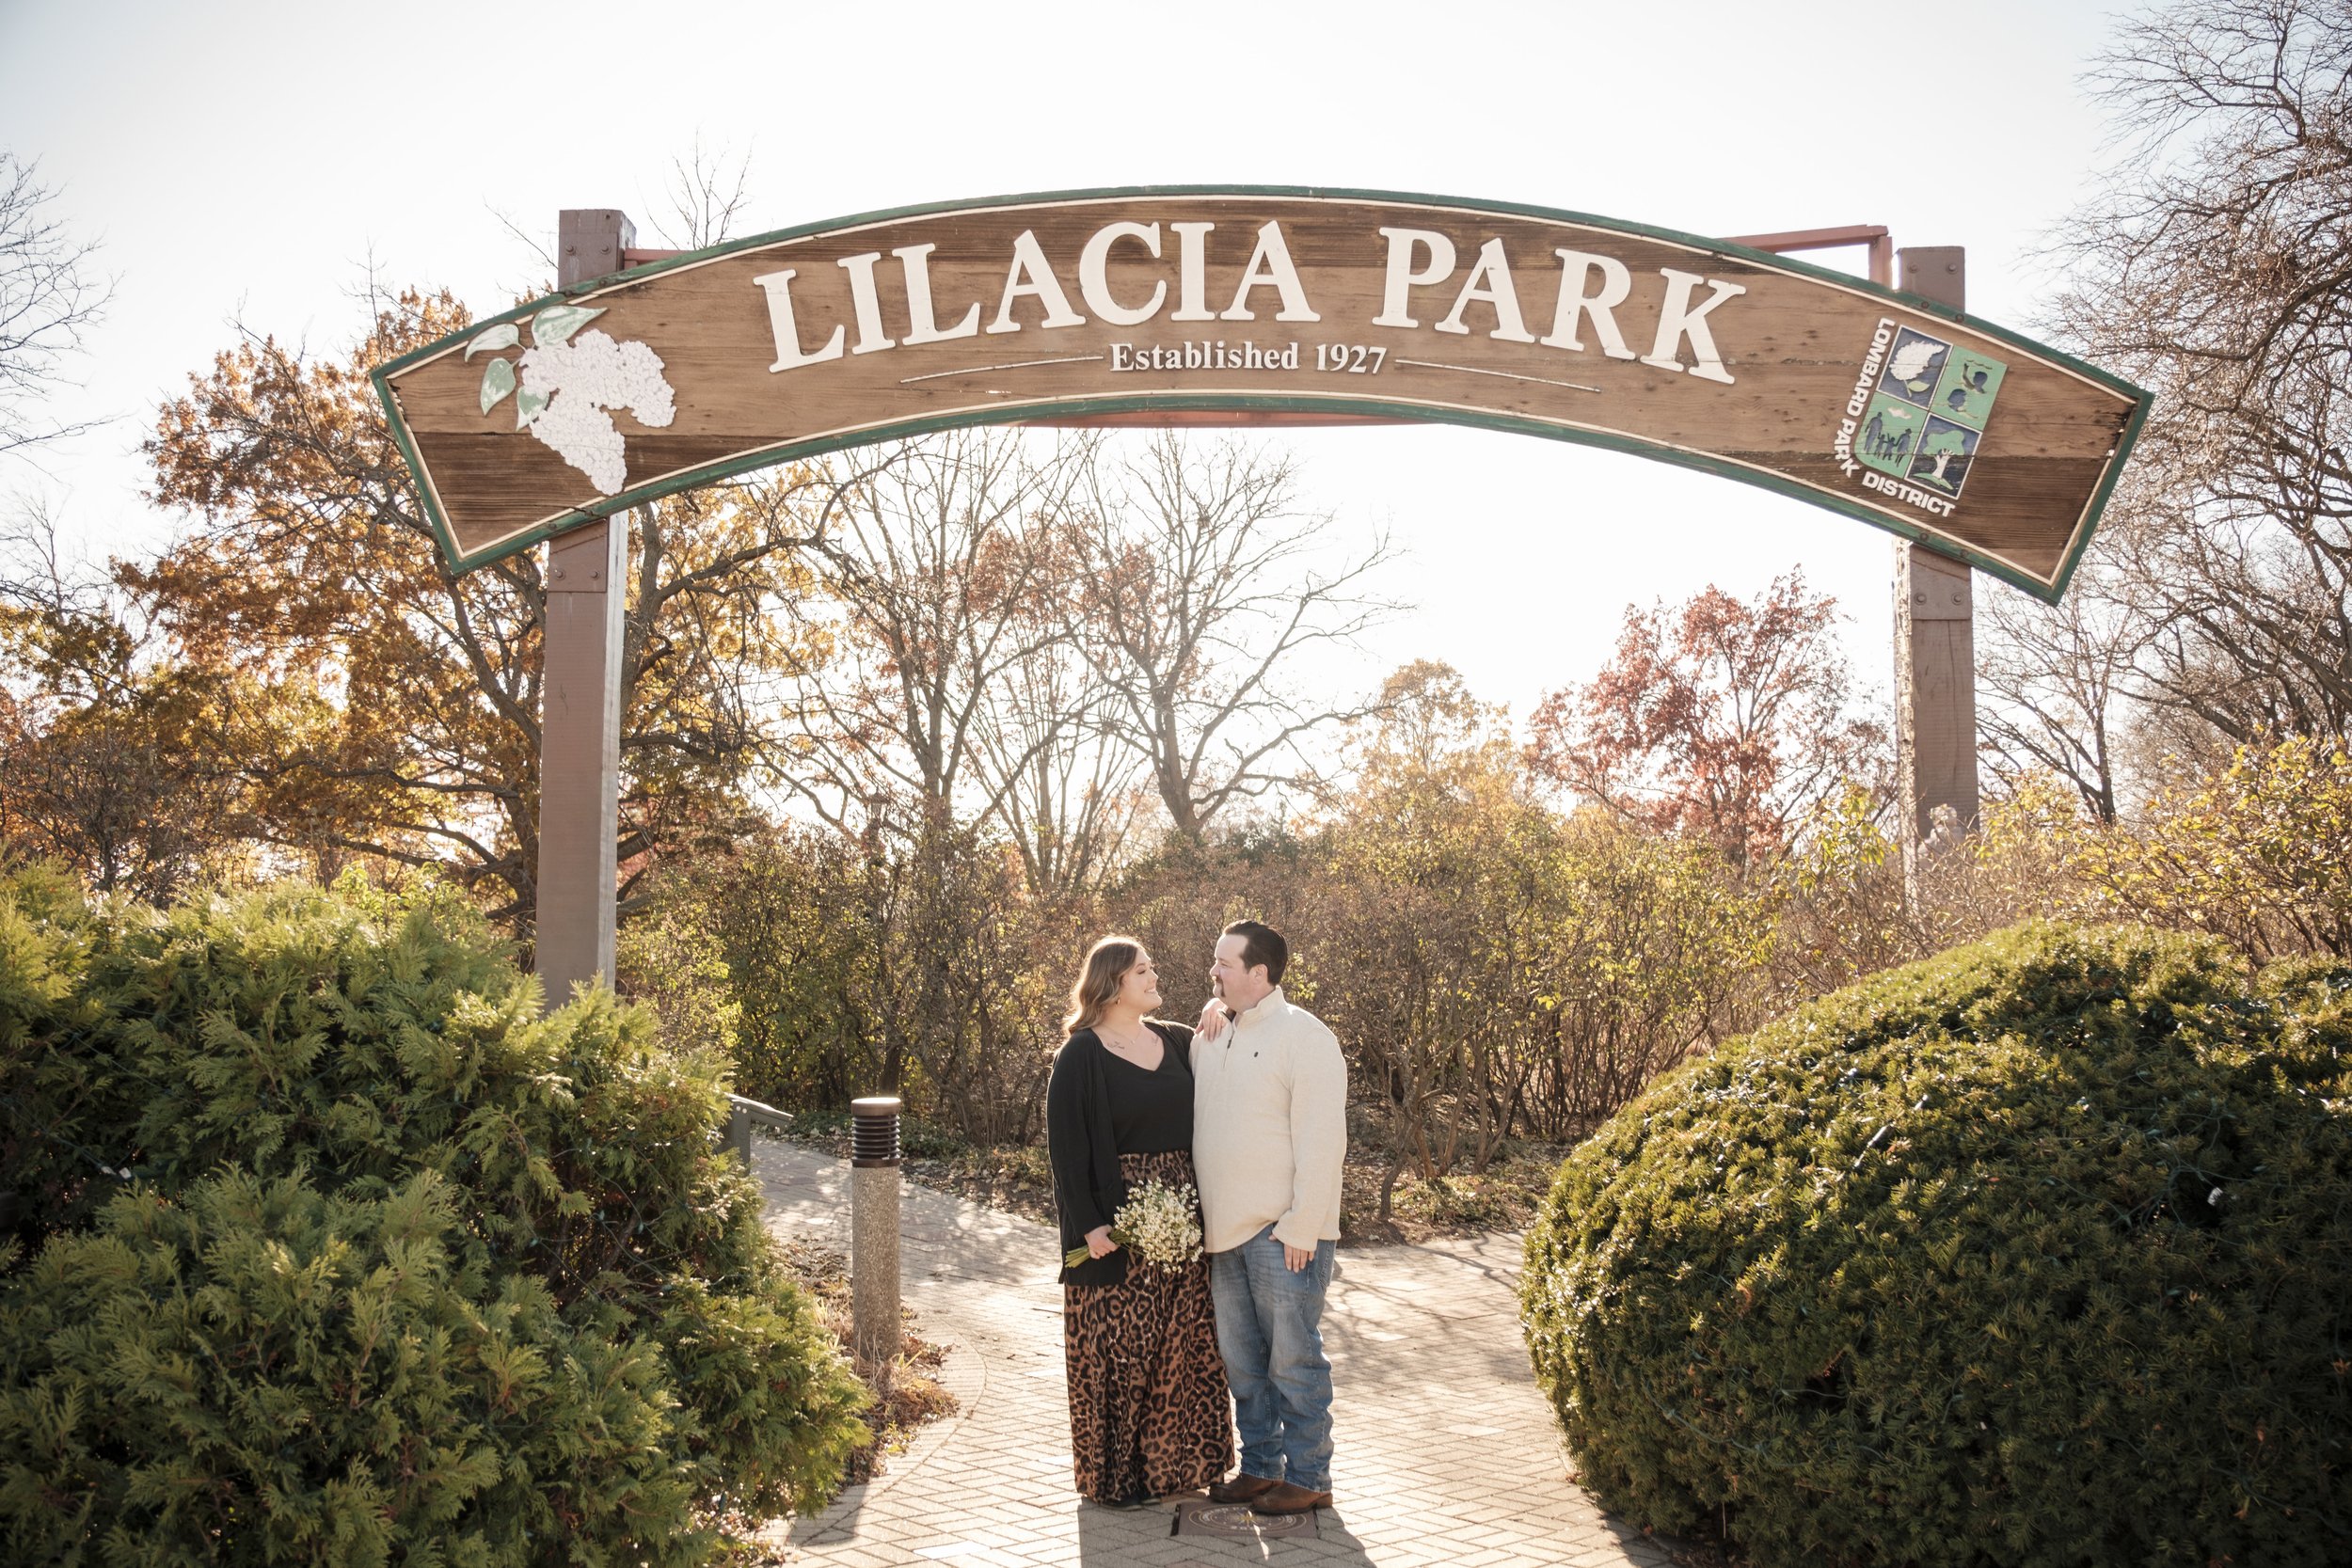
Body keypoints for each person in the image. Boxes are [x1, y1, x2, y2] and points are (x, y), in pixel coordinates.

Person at [1044, 936, 1235, 1506]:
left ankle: (1177, 1471)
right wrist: (1091, 1226)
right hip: (1119, 1227)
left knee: (1183, 1345)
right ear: (1111, 983)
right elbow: (1066, 1150)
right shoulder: (1079, 1054)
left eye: (1151, 968)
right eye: (1142, 971)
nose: (1154, 978)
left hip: (1184, 1223)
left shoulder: (1176, 1040)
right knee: (1120, 1353)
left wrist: (1215, 1008)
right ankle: (1116, 1480)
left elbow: (1230, 1025)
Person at [1189, 919, 1346, 1516]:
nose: (1214, 972)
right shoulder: (1210, 1034)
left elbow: (1321, 1139)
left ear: (1260, 973)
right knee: (1243, 1363)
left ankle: (1309, 1476)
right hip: (1222, 1233)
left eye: (1224, 964)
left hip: (1283, 1234)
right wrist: (1216, 1006)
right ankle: (1259, 1467)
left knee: (1293, 1359)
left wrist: (1304, 1223)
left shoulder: (1305, 1036)